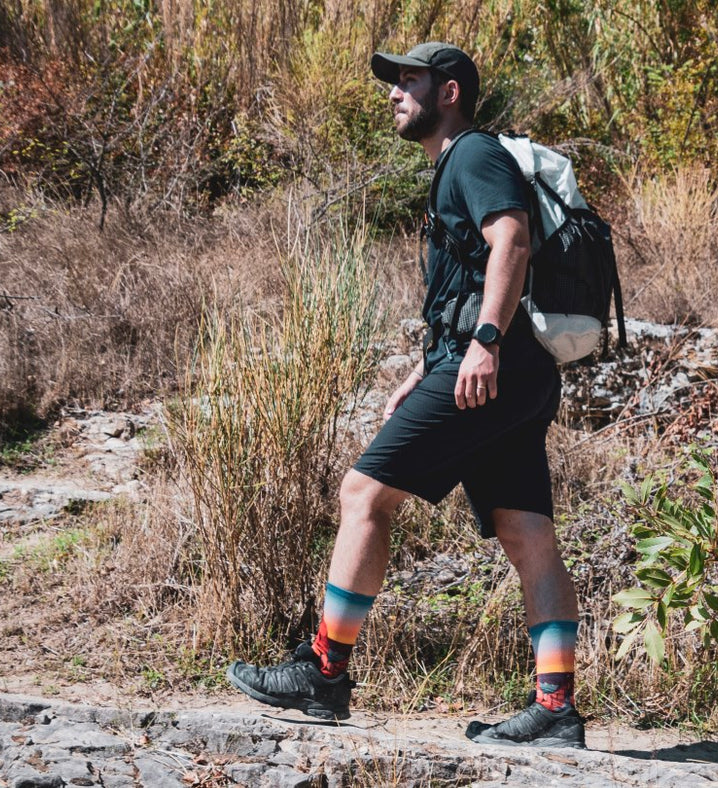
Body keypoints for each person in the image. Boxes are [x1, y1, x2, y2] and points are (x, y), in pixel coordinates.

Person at [226, 41, 584, 749]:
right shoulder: (463, 163)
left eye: (408, 79)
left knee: (363, 494)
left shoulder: (472, 156)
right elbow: (468, 277)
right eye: (393, 81)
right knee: (526, 531)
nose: (394, 91)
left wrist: (481, 343)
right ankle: (555, 708)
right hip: (518, 372)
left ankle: (325, 671)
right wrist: (431, 365)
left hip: (494, 363)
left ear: (448, 91)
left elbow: (511, 240)